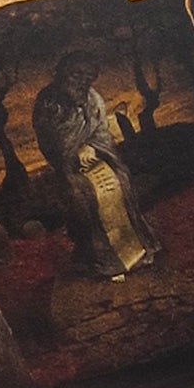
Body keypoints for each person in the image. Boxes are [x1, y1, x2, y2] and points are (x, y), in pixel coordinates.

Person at [30, 51, 160, 279]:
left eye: (88, 77)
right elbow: (50, 141)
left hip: (99, 157)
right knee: (82, 194)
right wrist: (73, 154)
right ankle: (101, 259)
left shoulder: (94, 98)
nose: (81, 81)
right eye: (76, 75)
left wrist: (93, 148)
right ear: (63, 73)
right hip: (70, 167)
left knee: (121, 179)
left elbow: (102, 133)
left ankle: (139, 248)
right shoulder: (48, 102)